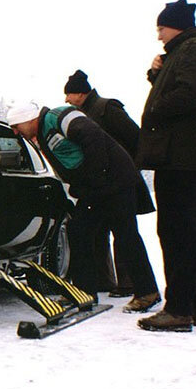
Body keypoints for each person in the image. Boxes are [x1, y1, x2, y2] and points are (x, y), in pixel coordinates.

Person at [6, 102, 160, 313]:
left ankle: (147, 292)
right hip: (99, 188)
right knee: (78, 230)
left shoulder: (58, 117)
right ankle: (84, 291)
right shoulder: (43, 132)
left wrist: (96, 179)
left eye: (16, 126)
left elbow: (92, 136)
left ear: (29, 119)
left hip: (115, 183)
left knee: (126, 235)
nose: (15, 132)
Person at [136, 0, 196, 333]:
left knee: (175, 232)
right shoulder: (185, 52)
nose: (159, 35)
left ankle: (179, 309)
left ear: (177, 26)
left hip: (181, 158)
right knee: (181, 231)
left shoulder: (193, 50)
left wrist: (156, 110)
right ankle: (189, 306)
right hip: (180, 156)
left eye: (162, 28)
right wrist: (156, 75)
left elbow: (191, 94)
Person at [64, 69, 155, 296]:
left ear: (80, 93)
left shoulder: (108, 109)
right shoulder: (83, 114)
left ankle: (129, 284)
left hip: (118, 180)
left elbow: (136, 137)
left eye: (69, 94)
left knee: (123, 232)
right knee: (98, 232)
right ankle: (104, 281)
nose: (66, 99)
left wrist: (128, 167)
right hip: (100, 183)